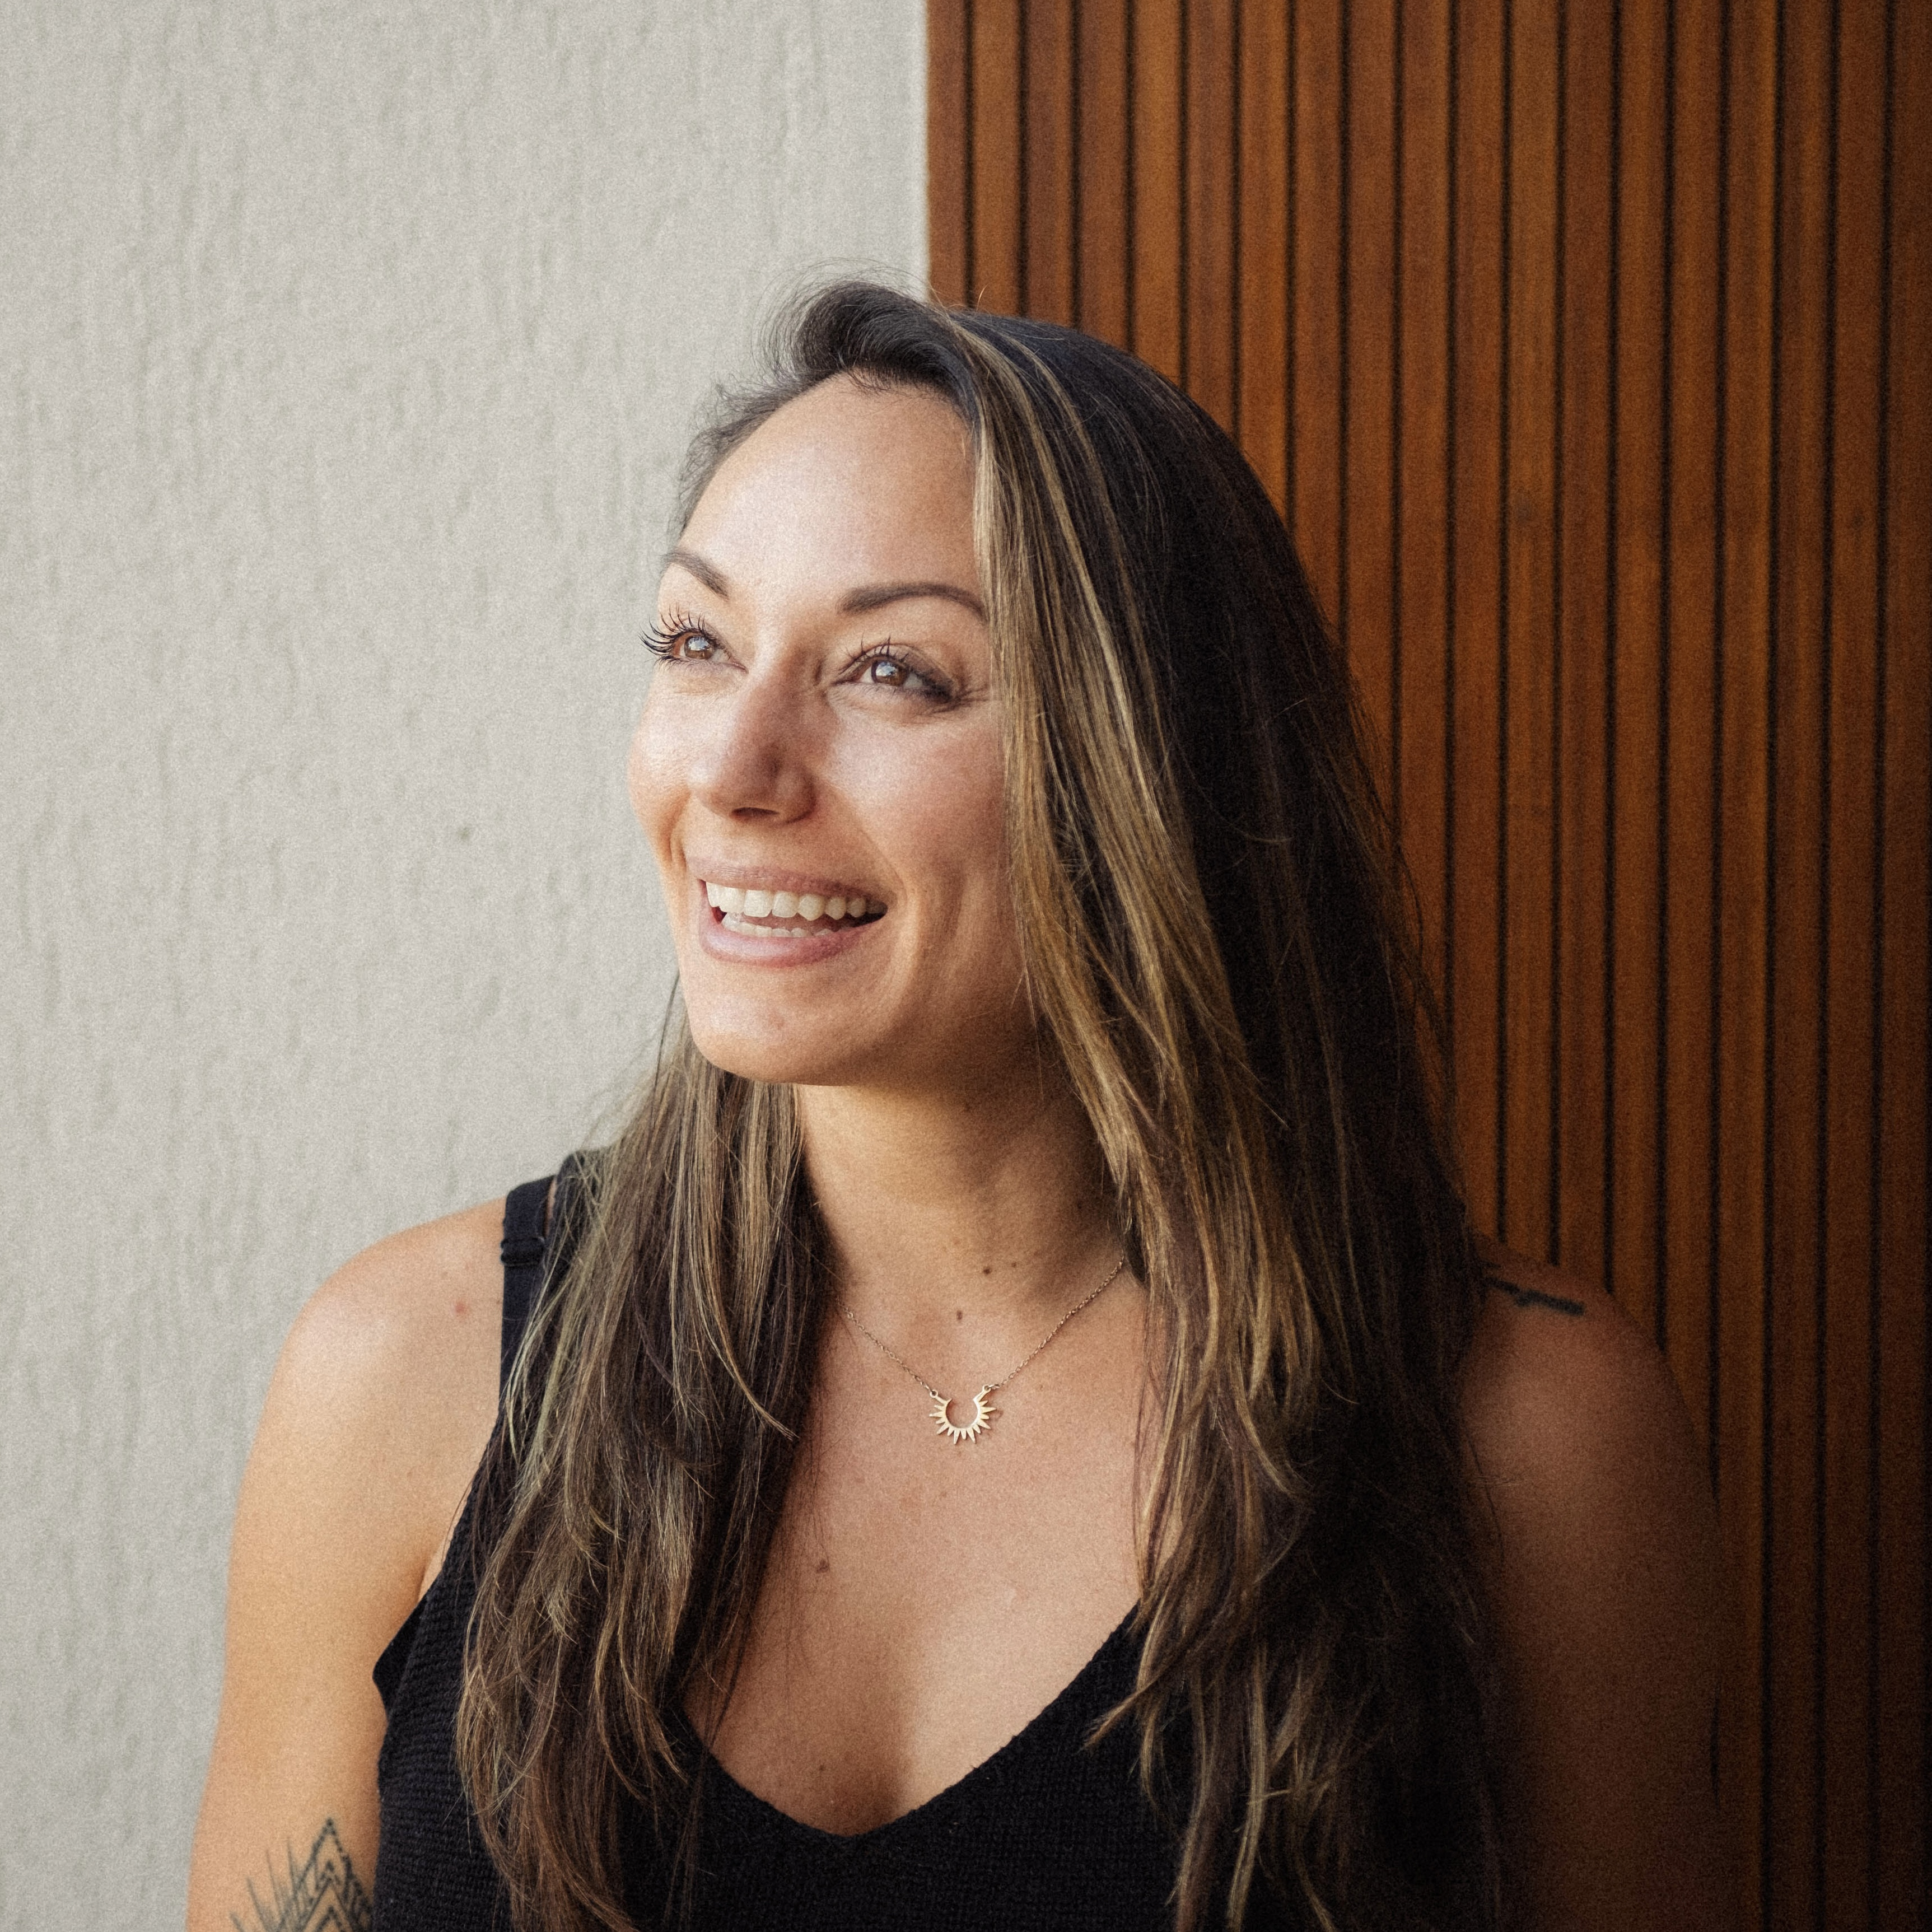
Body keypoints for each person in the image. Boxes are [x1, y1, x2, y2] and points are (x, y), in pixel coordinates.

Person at [188, 283, 1731, 1932]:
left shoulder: (1524, 1433)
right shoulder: (409, 1376)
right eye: (697, 643)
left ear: (1145, 764)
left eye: (895, 673)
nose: (737, 767)